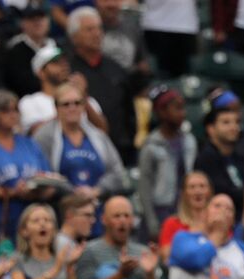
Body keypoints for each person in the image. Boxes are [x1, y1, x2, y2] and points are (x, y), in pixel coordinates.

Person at [0, 90, 54, 244]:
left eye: (15, 110)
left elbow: (49, 178)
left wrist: (38, 189)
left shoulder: (28, 143)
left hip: (32, 220)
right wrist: (13, 192)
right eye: (5, 111)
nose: (12, 115)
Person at [32, 83, 129, 213]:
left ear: (84, 106)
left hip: (99, 209)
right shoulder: (44, 137)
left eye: (77, 103)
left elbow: (117, 173)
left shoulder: (98, 136)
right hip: (62, 211)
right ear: (56, 107)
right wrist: (71, 191)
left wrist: (96, 191)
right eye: (66, 104)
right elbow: (40, 175)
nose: (72, 108)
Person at [67, 7, 139, 164]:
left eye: (99, 28)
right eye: (89, 29)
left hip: (121, 148)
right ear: (74, 37)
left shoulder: (116, 68)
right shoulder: (69, 71)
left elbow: (129, 111)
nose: (97, 33)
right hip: (84, 150)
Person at [137, 87, 197, 239]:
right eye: (177, 109)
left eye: (183, 108)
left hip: (186, 208)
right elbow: (145, 185)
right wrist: (151, 220)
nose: (182, 113)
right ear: (161, 112)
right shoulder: (151, 145)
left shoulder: (189, 141)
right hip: (161, 209)